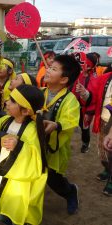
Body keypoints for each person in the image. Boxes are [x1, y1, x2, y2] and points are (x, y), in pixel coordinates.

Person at [0, 85, 48, 225]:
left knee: (15, 207)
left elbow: (35, 158)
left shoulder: (32, 130)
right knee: (1, 200)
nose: (6, 101)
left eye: (12, 101)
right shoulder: (5, 121)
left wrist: (19, 147)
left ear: (25, 110)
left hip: (19, 180)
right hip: (2, 171)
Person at [42, 55, 81, 214]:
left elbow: (70, 120)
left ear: (64, 80)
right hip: (35, 144)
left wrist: (57, 125)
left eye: (53, 69)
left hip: (54, 148)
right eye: (49, 67)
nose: (48, 70)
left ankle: (70, 191)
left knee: (53, 180)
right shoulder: (40, 92)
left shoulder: (70, 100)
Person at [87, 69, 112, 196]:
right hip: (104, 119)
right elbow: (94, 95)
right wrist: (85, 94)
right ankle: (108, 169)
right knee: (103, 150)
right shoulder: (106, 77)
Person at [71, 53, 97, 153]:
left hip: (86, 108)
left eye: (86, 63)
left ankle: (86, 143)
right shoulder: (80, 75)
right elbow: (74, 89)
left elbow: (94, 97)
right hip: (76, 106)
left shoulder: (94, 78)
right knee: (76, 123)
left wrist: (89, 112)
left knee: (84, 127)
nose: (84, 64)